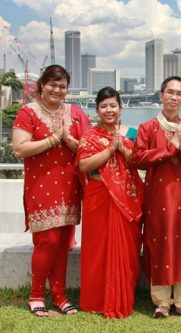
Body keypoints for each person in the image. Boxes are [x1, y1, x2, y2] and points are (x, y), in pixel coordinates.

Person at [12, 64, 90, 316]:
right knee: (48, 240)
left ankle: (60, 296)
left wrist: (69, 140)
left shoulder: (75, 112)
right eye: (52, 84)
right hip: (40, 185)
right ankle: (36, 295)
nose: (57, 90)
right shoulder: (28, 112)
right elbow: (20, 149)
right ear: (42, 85)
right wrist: (54, 138)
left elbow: (88, 147)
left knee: (62, 243)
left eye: (62, 86)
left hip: (69, 186)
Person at [130, 76, 181, 318]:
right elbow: (137, 158)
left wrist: (180, 150)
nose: (173, 97)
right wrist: (168, 150)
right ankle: (161, 302)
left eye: (179, 93)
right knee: (159, 244)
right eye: (169, 92)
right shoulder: (148, 128)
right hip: (158, 198)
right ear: (161, 95)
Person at [77, 87, 144, 318]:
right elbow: (85, 166)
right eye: (103, 106)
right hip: (99, 196)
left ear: (120, 108)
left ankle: (123, 297)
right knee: (97, 249)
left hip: (127, 196)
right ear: (97, 109)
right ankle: (96, 299)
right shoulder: (90, 135)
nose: (108, 110)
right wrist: (110, 149)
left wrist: (122, 147)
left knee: (128, 248)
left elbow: (139, 162)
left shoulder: (133, 133)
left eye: (112, 105)